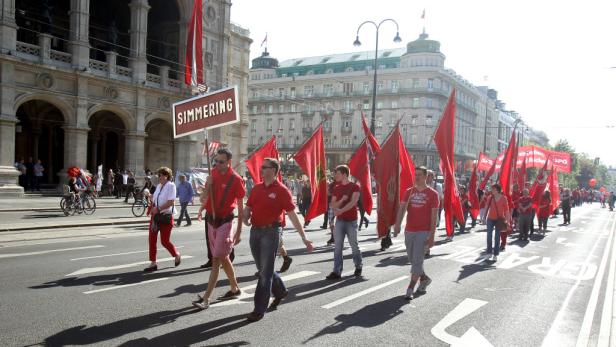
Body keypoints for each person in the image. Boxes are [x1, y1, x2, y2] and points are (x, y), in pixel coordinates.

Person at [242, 158, 313, 322]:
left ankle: (259, 309)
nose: (261, 168)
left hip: (271, 232)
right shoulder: (257, 188)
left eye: (265, 167)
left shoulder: (282, 190)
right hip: (255, 231)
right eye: (262, 166)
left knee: (264, 274)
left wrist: (304, 238)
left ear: (273, 170)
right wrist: (245, 217)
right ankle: (280, 291)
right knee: (263, 269)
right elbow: (248, 208)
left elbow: (293, 215)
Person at [192, 148, 245, 309]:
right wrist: (207, 186)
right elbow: (203, 199)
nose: (217, 164)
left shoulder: (236, 179)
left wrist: (239, 231)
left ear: (229, 162)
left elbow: (241, 208)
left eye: (221, 162)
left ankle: (206, 298)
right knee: (223, 258)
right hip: (211, 220)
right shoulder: (212, 173)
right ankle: (235, 288)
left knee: (216, 259)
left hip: (225, 222)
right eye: (216, 161)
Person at [393, 166, 439, 300]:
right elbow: (402, 209)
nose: (416, 177)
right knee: (413, 259)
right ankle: (424, 279)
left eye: (419, 175)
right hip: (409, 230)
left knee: (417, 260)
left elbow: (434, 216)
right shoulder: (409, 191)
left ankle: (410, 288)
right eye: (415, 174)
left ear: (426, 177)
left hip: (423, 231)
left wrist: (431, 236)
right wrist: (397, 225)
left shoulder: (433, 194)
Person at [325, 165, 363, 280]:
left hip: (351, 221)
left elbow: (353, 202)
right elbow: (333, 204)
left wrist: (341, 209)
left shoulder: (355, 187)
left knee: (354, 245)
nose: (335, 175)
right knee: (338, 246)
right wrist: (341, 200)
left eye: (337, 173)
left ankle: (358, 265)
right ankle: (337, 271)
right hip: (340, 221)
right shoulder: (336, 188)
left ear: (344, 175)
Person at [144, 167, 181, 272]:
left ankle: (176, 254)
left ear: (166, 176)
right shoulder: (159, 186)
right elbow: (155, 199)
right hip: (156, 217)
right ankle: (153, 263)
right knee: (152, 239)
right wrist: (149, 196)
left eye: (160, 175)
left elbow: (170, 202)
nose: (158, 177)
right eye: (158, 175)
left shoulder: (171, 186)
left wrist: (158, 209)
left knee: (164, 241)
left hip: (165, 217)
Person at [483, 183, 510, 262]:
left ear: (497, 190)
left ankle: (495, 254)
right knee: (489, 235)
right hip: (490, 219)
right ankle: (489, 252)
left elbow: (507, 211)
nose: (491, 190)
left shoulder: (504, 198)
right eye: (492, 189)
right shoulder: (490, 198)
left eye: (493, 189)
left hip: (499, 220)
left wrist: (507, 221)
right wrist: (484, 218)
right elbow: (486, 208)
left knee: (497, 237)